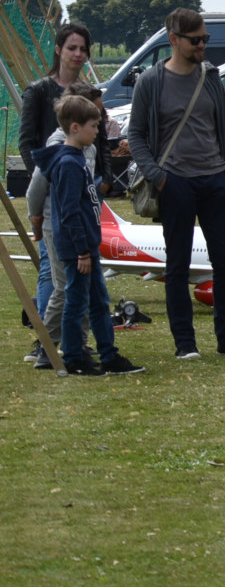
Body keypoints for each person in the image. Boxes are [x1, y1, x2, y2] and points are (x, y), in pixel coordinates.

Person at [126, 8, 225, 360]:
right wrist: (159, 177)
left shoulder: (210, 75)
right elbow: (135, 135)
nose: (202, 45)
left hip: (216, 181)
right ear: (174, 40)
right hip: (175, 183)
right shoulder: (150, 81)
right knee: (178, 266)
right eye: (196, 40)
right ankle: (185, 344)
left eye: (205, 39)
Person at [39, 95, 142, 378]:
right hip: (78, 249)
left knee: (98, 300)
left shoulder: (76, 159)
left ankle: (108, 355)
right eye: (94, 126)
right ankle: (73, 357)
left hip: (88, 245)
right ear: (75, 127)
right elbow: (70, 213)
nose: (98, 132)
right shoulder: (69, 164)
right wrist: (82, 251)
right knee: (76, 300)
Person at [17, 22, 91, 366]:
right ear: (59, 49)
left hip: (83, 189)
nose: (78, 54)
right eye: (72, 47)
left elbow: (97, 137)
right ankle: (47, 341)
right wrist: (44, 181)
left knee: (79, 271)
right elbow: (27, 142)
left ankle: (73, 339)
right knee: (53, 270)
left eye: (83, 49)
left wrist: (100, 183)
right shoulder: (39, 90)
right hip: (48, 191)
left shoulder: (89, 91)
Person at [25, 83, 113, 371]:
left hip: (77, 226)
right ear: (76, 123)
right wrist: (35, 218)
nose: (99, 126)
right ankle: (47, 346)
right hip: (58, 224)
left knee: (78, 290)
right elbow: (37, 189)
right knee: (66, 288)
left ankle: (77, 344)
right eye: (96, 119)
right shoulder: (60, 147)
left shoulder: (82, 143)